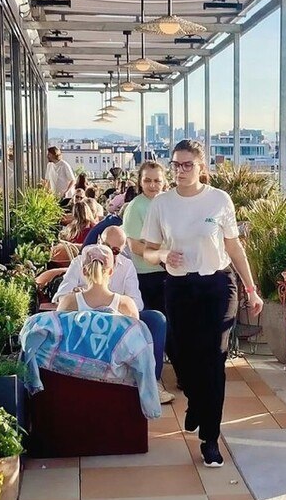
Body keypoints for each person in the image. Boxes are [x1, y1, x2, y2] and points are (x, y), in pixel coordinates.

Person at [139, 139, 263, 467]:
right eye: (176, 165)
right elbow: (148, 250)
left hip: (218, 285)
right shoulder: (162, 204)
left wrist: (251, 287)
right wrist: (163, 254)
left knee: (214, 359)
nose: (180, 171)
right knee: (180, 352)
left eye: (187, 165)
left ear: (201, 167)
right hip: (179, 286)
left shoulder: (219, 200)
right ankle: (194, 402)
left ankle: (210, 436)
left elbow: (234, 246)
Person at [42, 226, 172, 403]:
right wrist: (83, 295)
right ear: (98, 241)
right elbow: (61, 297)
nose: (108, 253)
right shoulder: (81, 262)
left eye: (115, 250)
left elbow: (137, 304)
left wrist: (111, 302)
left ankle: (152, 380)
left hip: (117, 321)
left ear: (122, 250)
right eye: (105, 246)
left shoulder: (126, 266)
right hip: (83, 322)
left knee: (156, 319)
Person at [124, 161, 169, 316]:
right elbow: (134, 246)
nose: (152, 185)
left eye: (157, 181)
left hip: (171, 272)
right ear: (140, 182)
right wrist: (163, 257)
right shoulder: (136, 206)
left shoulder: (169, 203)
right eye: (147, 180)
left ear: (164, 182)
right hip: (148, 275)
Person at [56, 243, 141, 320]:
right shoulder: (126, 305)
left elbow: (58, 333)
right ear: (111, 272)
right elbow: (136, 334)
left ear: (84, 271)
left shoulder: (69, 302)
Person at [52, 197, 102, 262]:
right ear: (88, 211)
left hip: (69, 259)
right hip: (86, 259)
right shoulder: (94, 230)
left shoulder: (70, 228)